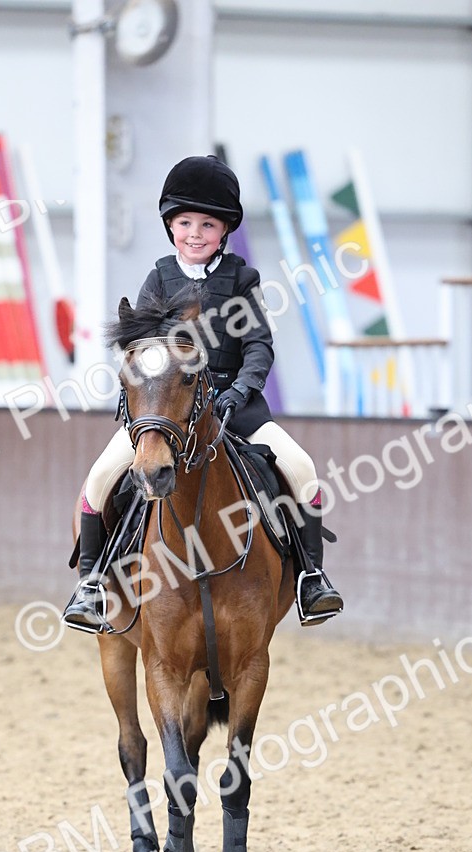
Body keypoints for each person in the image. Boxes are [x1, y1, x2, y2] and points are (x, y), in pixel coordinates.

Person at [63, 154, 343, 632]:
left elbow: (258, 345)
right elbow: (142, 351)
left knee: (302, 469)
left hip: (236, 407)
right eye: (185, 223)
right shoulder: (158, 279)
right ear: (170, 225)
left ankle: (311, 579)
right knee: (100, 479)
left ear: (225, 229)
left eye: (207, 224)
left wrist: (241, 390)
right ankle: (91, 584)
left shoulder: (242, 279)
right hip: (167, 410)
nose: (195, 234)